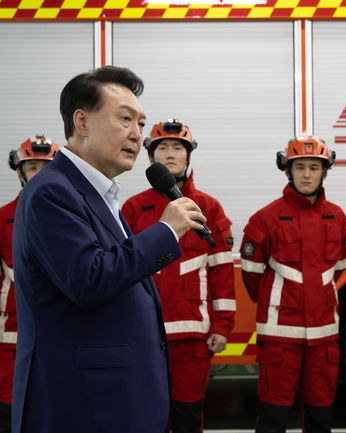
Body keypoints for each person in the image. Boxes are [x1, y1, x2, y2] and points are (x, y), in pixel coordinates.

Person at [11, 66, 207, 433]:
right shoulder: (52, 192)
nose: (137, 134)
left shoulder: (100, 194)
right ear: (82, 122)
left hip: (112, 399)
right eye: (125, 119)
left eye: (140, 123)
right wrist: (165, 231)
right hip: (85, 405)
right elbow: (88, 278)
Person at [122, 120, 236, 433]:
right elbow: (123, 271)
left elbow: (222, 269)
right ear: (150, 157)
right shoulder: (133, 208)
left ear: (188, 156)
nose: (170, 154)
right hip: (146, 337)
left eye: (177, 148)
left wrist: (223, 326)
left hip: (192, 340)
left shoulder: (209, 208)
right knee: (148, 418)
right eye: (162, 148)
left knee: (188, 418)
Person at [239, 135, 346, 433]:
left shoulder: (337, 217)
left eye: (314, 167)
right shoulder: (265, 218)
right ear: (287, 170)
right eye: (299, 167)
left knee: (320, 419)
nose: (307, 174)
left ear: (325, 171)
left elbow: (338, 268)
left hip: (324, 338)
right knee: (272, 420)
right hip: (279, 338)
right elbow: (251, 275)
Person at [0, 135, 59, 433]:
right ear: (20, 172)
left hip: (58, 337)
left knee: (55, 415)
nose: (39, 174)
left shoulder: (73, 217)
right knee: (11, 414)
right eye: (32, 167)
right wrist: (9, 305)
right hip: (11, 339)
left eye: (46, 167)